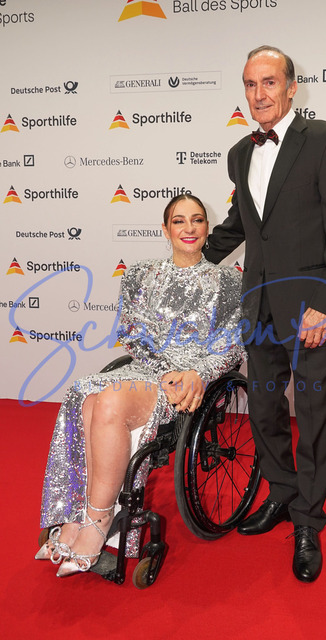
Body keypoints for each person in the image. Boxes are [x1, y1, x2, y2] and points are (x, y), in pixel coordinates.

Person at [204, 45, 326, 582]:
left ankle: (308, 521)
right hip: (260, 306)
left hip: (311, 309)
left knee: (314, 417)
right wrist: (188, 258)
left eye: (269, 82)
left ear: (292, 87)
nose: (259, 94)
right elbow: (242, 225)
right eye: (250, 84)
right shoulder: (240, 152)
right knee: (265, 410)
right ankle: (282, 492)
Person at [35, 194, 246, 577]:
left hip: (192, 380)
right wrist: (165, 371)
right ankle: (78, 516)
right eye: (179, 221)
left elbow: (232, 347)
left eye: (197, 220)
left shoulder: (229, 282)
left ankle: (99, 522)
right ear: (165, 229)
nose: (189, 228)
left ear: (207, 228)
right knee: (85, 394)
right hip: (149, 370)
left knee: (110, 403)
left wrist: (197, 373)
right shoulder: (140, 274)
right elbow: (133, 335)